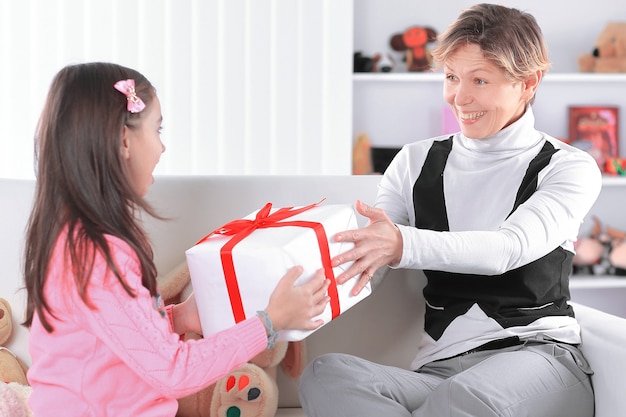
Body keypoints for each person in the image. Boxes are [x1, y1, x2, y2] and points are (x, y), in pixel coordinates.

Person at [298, 4, 600, 417]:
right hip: (440, 374)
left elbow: (507, 249)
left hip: (538, 359)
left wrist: (401, 243)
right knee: (325, 375)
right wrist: (291, 292)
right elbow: (375, 255)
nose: (460, 97)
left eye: (480, 79)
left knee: (460, 400)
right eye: (451, 77)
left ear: (529, 82)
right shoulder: (413, 161)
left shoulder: (568, 167)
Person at [22, 62, 330, 416]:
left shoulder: (80, 242)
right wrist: (269, 323)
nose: (162, 147)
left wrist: (179, 319)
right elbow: (173, 371)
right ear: (124, 139)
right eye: (157, 129)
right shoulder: (98, 255)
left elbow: (117, 338)